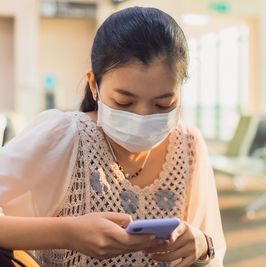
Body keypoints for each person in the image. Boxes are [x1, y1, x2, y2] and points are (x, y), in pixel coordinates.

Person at [0, 6, 226, 267]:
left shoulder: (189, 146)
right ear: (94, 85)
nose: (142, 116)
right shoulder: (65, 136)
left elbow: (213, 252)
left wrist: (201, 245)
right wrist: (67, 233)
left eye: (163, 104)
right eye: (124, 102)